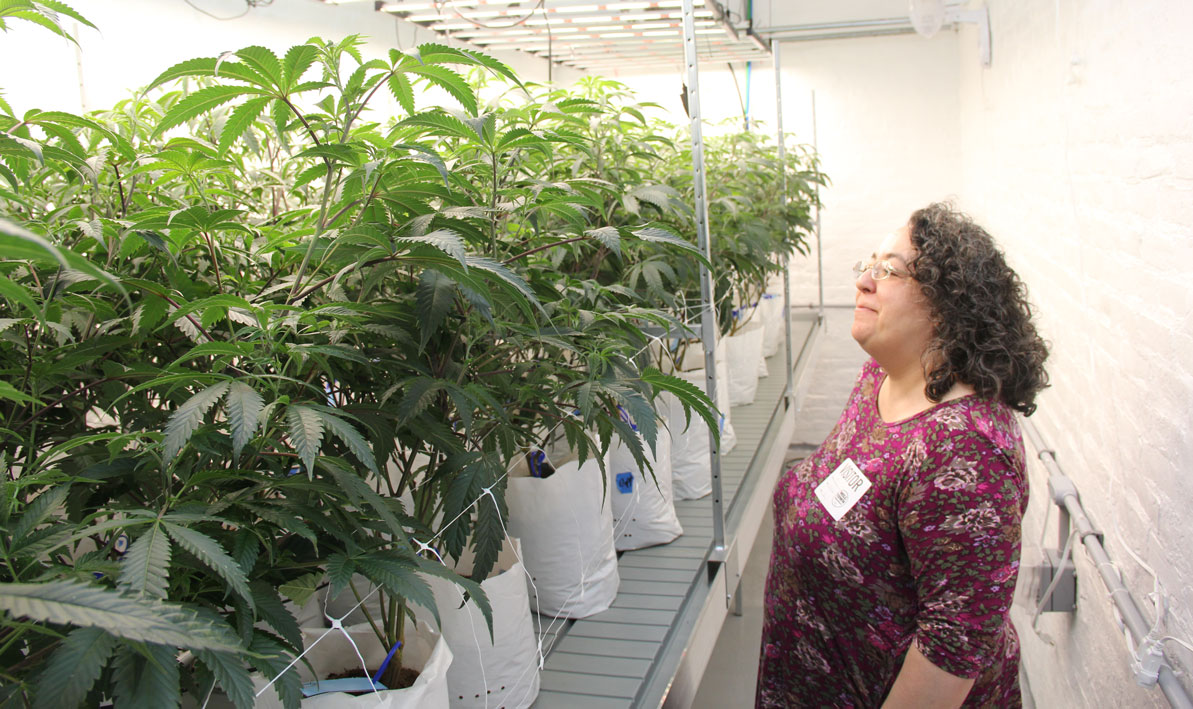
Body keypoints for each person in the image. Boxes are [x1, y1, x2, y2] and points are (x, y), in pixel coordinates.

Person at [756, 202, 1049, 708]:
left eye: (888, 269)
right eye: (867, 266)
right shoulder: (883, 377)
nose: (864, 281)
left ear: (948, 303)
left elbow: (952, 649)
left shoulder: (963, 451)